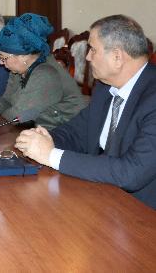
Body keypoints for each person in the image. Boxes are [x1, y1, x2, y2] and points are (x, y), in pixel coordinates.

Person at [15, 15, 156, 209]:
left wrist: (51, 155)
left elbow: (131, 173)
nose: (87, 57)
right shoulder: (105, 88)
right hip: (100, 195)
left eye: (93, 49)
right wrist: (45, 138)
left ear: (117, 57)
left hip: (141, 214)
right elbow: (78, 132)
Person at [0, 13, 86, 129]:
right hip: (33, 130)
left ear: (22, 55)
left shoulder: (46, 74)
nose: (1, 63)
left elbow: (18, 117)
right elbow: (7, 100)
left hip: (63, 137)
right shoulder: (19, 69)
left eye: (3, 58)